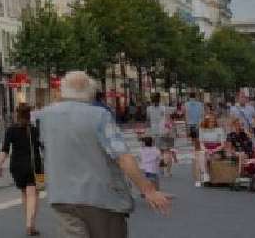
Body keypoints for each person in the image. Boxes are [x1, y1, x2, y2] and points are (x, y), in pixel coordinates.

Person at [37, 71, 169, 238]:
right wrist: (148, 189)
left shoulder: (44, 116)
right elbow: (122, 156)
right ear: (91, 92)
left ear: (62, 91)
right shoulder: (99, 115)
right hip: (102, 198)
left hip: (62, 197)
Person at [0, 103, 44, 236]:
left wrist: (0, 165)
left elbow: (5, 150)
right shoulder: (35, 130)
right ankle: (30, 224)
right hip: (35, 166)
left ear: (17, 115)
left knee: (25, 193)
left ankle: (29, 223)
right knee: (34, 194)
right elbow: (44, 148)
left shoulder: (11, 130)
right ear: (30, 115)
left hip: (17, 166)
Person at [145, 93, 172, 157]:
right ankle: (160, 158)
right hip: (161, 130)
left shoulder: (149, 109)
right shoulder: (163, 108)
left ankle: (157, 158)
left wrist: (147, 131)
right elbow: (166, 119)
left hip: (154, 130)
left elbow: (148, 120)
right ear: (159, 99)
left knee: (155, 146)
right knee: (160, 147)